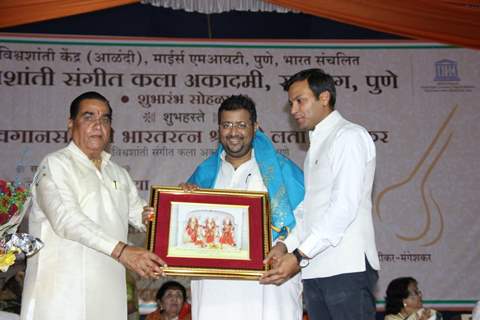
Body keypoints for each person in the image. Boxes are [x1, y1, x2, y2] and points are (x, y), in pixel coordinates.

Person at [20, 91, 165, 320]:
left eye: (105, 119)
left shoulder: (118, 172)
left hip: (109, 292)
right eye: (89, 117)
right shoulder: (55, 165)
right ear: (71, 123)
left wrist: (174, 213)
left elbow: (141, 214)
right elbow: (67, 220)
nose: (98, 125)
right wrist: (122, 250)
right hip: (62, 296)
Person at [260, 68, 380, 320]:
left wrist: (299, 254)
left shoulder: (349, 136)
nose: (293, 110)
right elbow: (309, 209)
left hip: (347, 267)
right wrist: (284, 245)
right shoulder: (317, 145)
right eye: (291, 103)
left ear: (324, 97)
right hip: (315, 269)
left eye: (299, 101)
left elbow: (343, 207)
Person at [183, 95, 305, 320]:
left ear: (255, 127)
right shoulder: (204, 175)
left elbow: (308, 217)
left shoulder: (282, 170)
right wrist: (157, 216)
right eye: (227, 125)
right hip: (214, 292)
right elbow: (182, 230)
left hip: (269, 289)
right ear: (218, 129)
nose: (233, 132)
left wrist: (285, 247)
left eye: (241, 125)